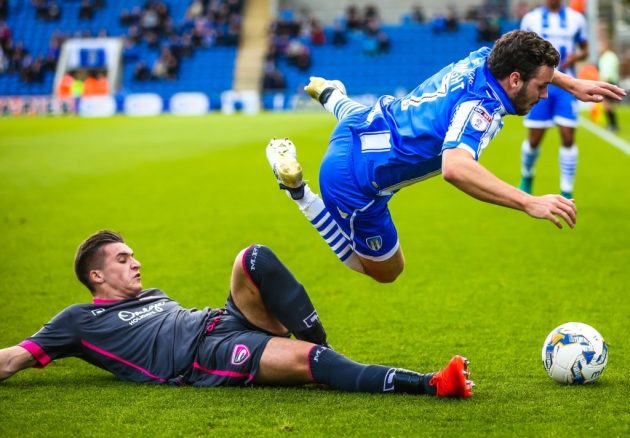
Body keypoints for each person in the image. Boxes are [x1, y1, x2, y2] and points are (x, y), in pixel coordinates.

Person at [265, 30, 625, 283]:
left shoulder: (487, 57)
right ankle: (298, 193)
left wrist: (572, 83)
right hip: (354, 180)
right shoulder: (481, 108)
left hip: (368, 119)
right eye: (542, 86)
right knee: (384, 271)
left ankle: (330, 93)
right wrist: (528, 201)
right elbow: (455, 167)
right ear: (514, 80)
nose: (546, 94)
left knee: (355, 117)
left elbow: (520, 47)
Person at [0, 230, 473, 397]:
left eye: (133, 254)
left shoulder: (152, 294)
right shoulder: (78, 321)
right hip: (202, 356)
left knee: (254, 256)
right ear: (96, 277)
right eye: (122, 260)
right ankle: (431, 383)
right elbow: (10, 360)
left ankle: (321, 347)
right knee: (312, 366)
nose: (136, 262)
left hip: (220, 321)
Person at [519, 0, 588, 199]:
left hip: (566, 86)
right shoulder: (531, 20)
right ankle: (527, 176)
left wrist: (575, 58)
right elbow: (521, 50)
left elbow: (585, 49)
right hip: (539, 85)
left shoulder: (577, 19)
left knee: (568, 137)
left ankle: (566, 191)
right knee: (534, 140)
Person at [598, 40, 620, 132]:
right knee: (607, 104)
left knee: (607, 105)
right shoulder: (607, 56)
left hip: (608, 82)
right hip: (608, 81)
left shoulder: (609, 57)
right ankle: (612, 124)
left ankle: (613, 125)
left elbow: (607, 71)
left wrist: (604, 82)